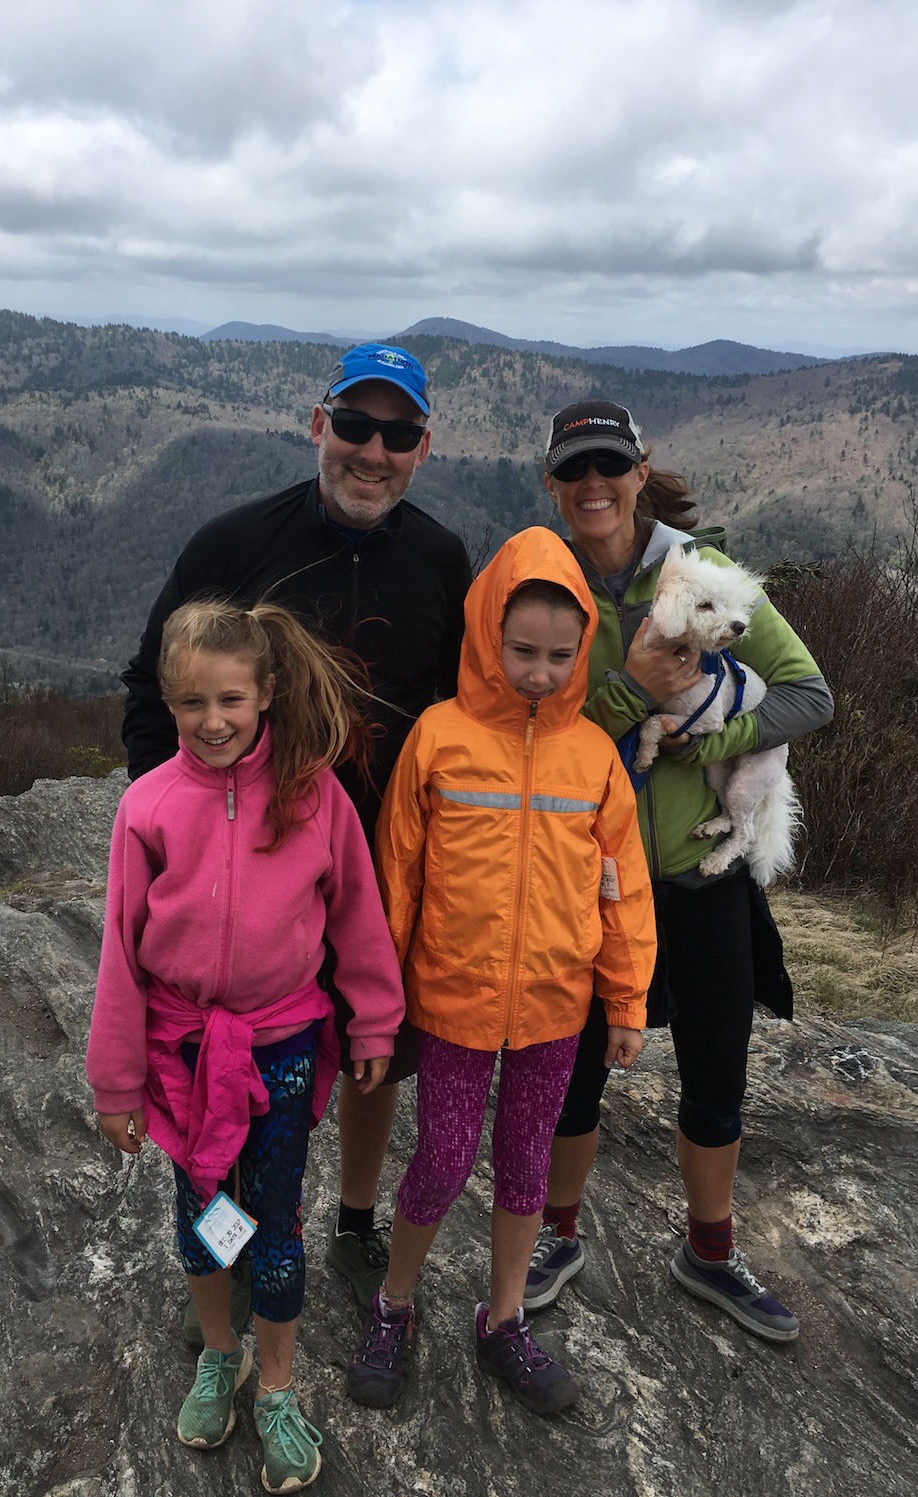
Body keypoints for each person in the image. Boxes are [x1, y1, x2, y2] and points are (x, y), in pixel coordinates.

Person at [120, 344, 474, 1325]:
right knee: (224, 1084)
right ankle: (228, 1245)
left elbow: (460, 712)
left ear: (422, 448)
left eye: (397, 435)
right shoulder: (236, 543)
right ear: (317, 424)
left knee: (375, 1054)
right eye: (355, 426)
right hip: (253, 875)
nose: (373, 451)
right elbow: (156, 697)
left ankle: (352, 1219)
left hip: (381, 868)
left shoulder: (441, 560)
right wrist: (175, 833)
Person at [526, 401, 833, 1343]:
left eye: (609, 465)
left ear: (640, 467)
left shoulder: (702, 574)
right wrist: (633, 696)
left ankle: (709, 1249)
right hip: (591, 878)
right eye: (575, 468)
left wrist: (716, 735)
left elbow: (809, 692)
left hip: (702, 876)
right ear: (552, 481)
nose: (593, 485)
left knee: (716, 1070)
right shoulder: (540, 579)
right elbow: (524, 727)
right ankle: (558, 1234)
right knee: (572, 1072)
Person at [87, 598, 406, 1493]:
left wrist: (375, 1018)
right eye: (191, 703)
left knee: (273, 1217)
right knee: (201, 1209)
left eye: (230, 697)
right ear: (169, 700)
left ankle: (275, 1385)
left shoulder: (315, 795)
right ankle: (217, 1353)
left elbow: (356, 915)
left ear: (267, 691)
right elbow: (120, 949)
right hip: (182, 1051)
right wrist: (115, 1081)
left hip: (283, 1043)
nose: (213, 720)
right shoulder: (146, 808)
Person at [344, 526, 657, 1416]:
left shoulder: (594, 754)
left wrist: (626, 998)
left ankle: (504, 1317)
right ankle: (394, 1304)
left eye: (563, 655)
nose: (541, 672)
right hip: (451, 1003)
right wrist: (378, 1005)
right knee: (440, 1160)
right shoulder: (440, 737)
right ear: (487, 635)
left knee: (526, 1168)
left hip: (556, 1009)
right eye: (522, 650)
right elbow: (395, 875)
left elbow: (622, 885)